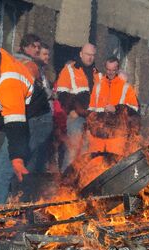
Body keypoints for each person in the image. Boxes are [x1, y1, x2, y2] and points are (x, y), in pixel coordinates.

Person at [0, 36, 52, 204]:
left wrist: (17, 158)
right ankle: (12, 214)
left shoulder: (9, 82)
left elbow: (16, 125)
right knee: (6, 174)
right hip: (26, 119)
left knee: (1, 171)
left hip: (35, 122)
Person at [55, 43, 102, 171]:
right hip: (76, 117)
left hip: (92, 119)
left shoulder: (97, 74)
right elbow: (62, 94)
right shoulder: (70, 69)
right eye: (87, 54)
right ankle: (65, 183)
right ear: (81, 54)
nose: (90, 58)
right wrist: (73, 110)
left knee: (86, 153)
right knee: (73, 151)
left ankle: (79, 184)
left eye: (93, 55)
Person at [85, 57, 140, 157]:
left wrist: (117, 108)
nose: (110, 72)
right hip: (97, 136)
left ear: (118, 69)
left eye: (113, 70)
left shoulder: (126, 87)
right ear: (105, 69)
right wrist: (89, 129)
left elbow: (134, 110)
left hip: (117, 136)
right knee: (94, 167)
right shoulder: (97, 87)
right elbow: (91, 110)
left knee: (114, 165)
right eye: (108, 70)